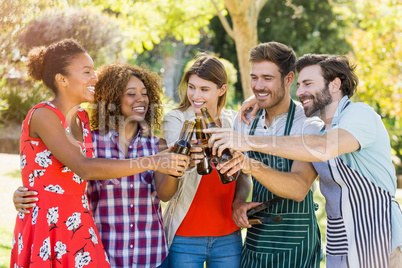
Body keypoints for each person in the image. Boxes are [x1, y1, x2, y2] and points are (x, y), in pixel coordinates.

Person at [206, 53, 402, 267]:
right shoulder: (320, 127)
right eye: (298, 85)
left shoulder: (359, 115)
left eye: (308, 83)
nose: (300, 91)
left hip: (377, 237)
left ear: (335, 84)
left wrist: (248, 141)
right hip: (339, 242)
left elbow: (324, 147)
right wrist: (262, 97)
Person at [11, 39, 189, 268]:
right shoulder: (44, 115)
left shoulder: (83, 121)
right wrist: (152, 161)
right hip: (49, 227)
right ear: (62, 79)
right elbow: (84, 167)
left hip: (79, 227)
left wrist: (169, 164)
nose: (95, 77)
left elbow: (58, 174)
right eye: (87, 71)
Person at [162, 54, 251, 267]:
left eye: (204, 89)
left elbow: (244, 174)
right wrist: (191, 156)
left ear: (221, 90)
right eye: (192, 87)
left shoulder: (234, 121)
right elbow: (180, 160)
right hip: (184, 235)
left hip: (228, 236)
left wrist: (239, 200)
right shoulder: (176, 119)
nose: (195, 95)